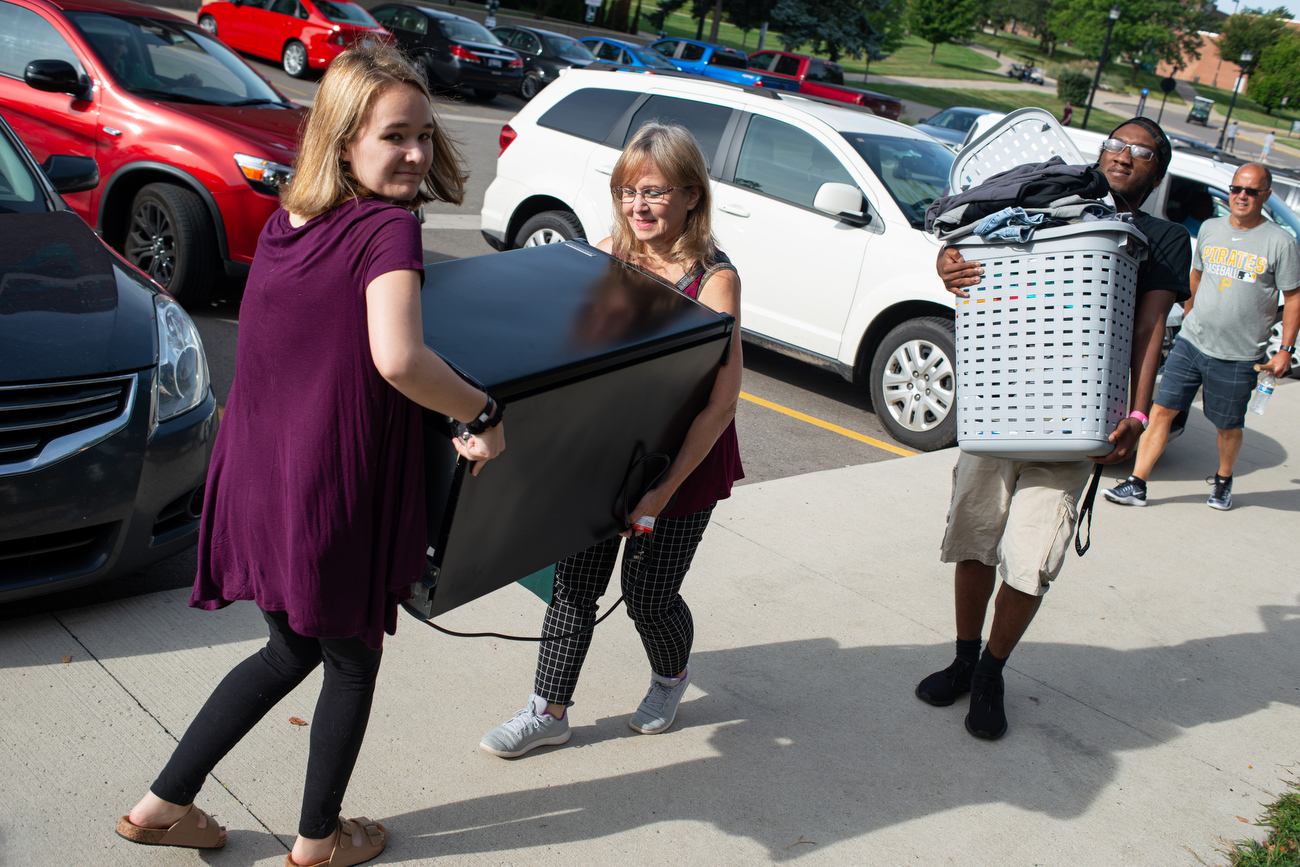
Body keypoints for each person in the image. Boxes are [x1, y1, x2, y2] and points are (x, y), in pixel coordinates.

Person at [115, 43, 504, 866]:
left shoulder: (294, 216)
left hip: (261, 480)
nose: (415, 154)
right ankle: (318, 841)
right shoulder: (386, 228)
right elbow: (397, 357)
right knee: (352, 661)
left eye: (425, 136)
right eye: (395, 136)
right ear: (343, 140)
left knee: (290, 648)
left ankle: (159, 805)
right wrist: (481, 408)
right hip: (328, 490)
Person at [478, 121, 744, 758]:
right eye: (628, 191)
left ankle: (671, 676)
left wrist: (660, 492)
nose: (638, 206)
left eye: (654, 191)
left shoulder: (714, 283)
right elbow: (569, 353)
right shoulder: (606, 254)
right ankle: (550, 710)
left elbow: (719, 405)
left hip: (682, 463)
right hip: (606, 456)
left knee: (649, 597)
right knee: (575, 583)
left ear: (690, 196)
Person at [920, 118, 1190, 740]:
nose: (1124, 156)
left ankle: (992, 670)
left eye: (1142, 151)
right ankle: (963, 659)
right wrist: (946, 258)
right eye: (1116, 145)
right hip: (999, 402)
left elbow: (1149, 332)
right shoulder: (1043, 202)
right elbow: (967, 237)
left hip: (1074, 414)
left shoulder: (1163, 237)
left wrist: (1139, 413)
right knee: (974, 538)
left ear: (1158, 167)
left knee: (1031, 555)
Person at [1104, 163, 1299, 511]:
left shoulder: (1280, 243)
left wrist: (1285, 349)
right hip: (1192, 343)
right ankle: (1137, 483)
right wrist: (1192, 313)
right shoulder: (1211, 228)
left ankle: (1223, 480)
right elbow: (1195, 276)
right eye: (1236, 189)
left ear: (1266, 196)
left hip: (1239, 354)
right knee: (1161, 410)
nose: (1241, 196)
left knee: (1226, 426)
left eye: (1251, 192)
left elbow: (1294, 298)